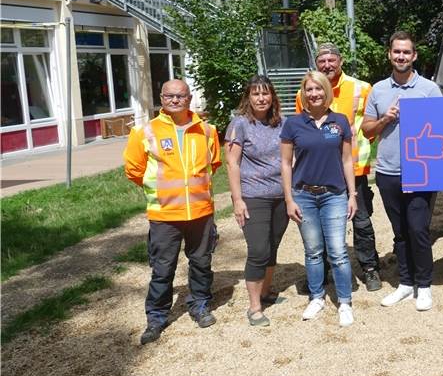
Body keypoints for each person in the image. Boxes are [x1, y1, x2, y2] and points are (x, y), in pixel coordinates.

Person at [124, 79, 221, 345]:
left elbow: (213, 164)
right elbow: (134, 170)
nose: (175, 100)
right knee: (162, 269)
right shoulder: (145, 132)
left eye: (180, 96)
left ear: (189, 99)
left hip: (200, 212)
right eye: (170, 96)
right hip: (165, 215)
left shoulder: (207, 130)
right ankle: (156, 317)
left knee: (202, 263)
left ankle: (200, 305)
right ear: (161, 98)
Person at [361, 31, 442, 311]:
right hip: (388, 171)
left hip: (421, 170)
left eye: (406, 52)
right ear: (390, 54)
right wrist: (387, 118)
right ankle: (406, 284)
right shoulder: (379, 90)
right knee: (400, 232)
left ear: (414, 56)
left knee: (418, 229)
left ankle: (425, 285)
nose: (401, 56)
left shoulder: (429, 89)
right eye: (397, 52)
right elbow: (366, 129)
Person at [294, 44, 381, 291]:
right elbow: (303, 129)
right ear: (316, 63)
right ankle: (321, 271)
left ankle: (370, 268)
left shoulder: (362, 88)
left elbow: (370, 126)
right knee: (319, 223)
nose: (327, 65)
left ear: (340, 61)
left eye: (332, 60)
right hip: (321, 172)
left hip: (354, 170)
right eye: (323, 61)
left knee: (361, 221)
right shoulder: (306, 92)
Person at [281, 71, 357, 327]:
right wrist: (289, 198)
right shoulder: (292, 124)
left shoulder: (340, 121)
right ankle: (317, 297)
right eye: (309, 90)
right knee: (313, 251)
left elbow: (347, 160)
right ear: (303, 94)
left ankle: (344, 301)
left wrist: (352, 194)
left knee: (337, 251)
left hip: (334, 195)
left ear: (327, 91)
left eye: (318, 89)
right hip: (304, 195)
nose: (314, 94)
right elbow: (285, 163)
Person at [225, 75, 287, 327]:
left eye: (265, 93)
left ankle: (265, 292)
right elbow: (232, 163)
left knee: (272, 246)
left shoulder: (282, 123)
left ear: (272, 96)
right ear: (248, 98)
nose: (261, 98)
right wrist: (237, 200)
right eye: (255, 94)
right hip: (253, 196)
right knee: (259, 250)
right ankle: (254, 307)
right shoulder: (239, 124)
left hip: (281, 196)